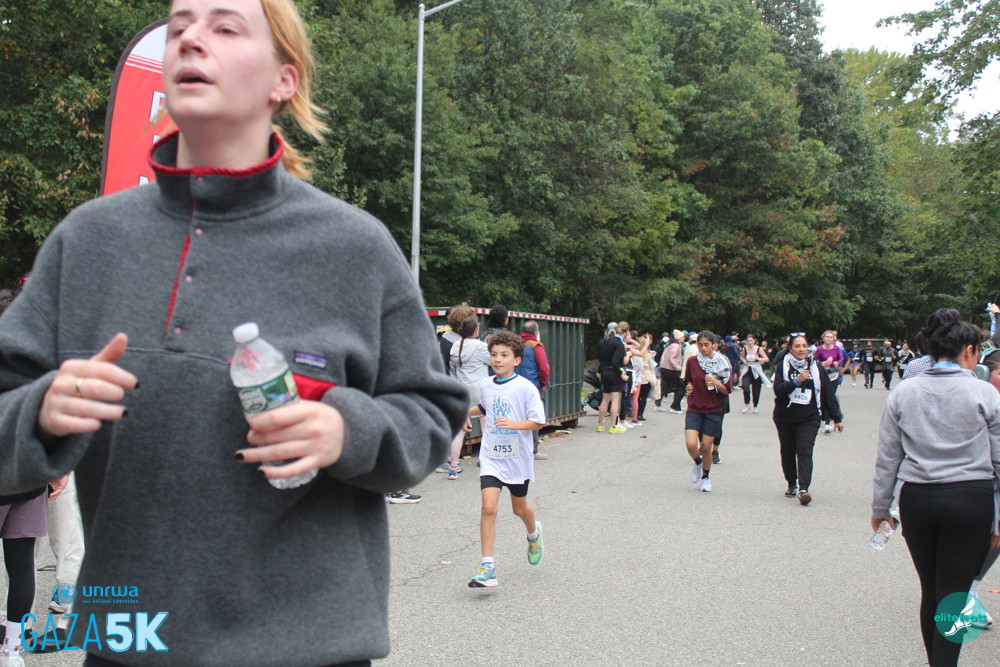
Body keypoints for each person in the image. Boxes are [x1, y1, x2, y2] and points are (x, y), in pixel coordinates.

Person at [0, 2, 469, 665]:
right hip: (129, 641)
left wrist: (347, 431)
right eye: (180, 25)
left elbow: (435, 413)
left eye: (224, 26)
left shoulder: (354, 248)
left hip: (309, 648)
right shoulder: (87, 241)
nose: (192, 38)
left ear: (284, 78)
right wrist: (41, 414)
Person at [871, 308, 999, 667]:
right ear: (969, 350)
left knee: (931, 590)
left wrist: (880, 508)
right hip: (970, 497)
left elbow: (888, 457)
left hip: (919, 498)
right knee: (955, 593)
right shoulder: (985, 393)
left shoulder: (904, 391)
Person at [467, 332, 545, 588]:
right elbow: (485, 408)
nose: (497, 360)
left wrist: (514, 424)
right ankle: (487, 567)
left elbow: (538, 420)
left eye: (504, 355)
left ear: (517, 360)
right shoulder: (486, 385)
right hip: (491, 456)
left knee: (519, 509)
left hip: (517, 458)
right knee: (488, 508)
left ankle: (533, 534)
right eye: (494, 355)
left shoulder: (525, 387)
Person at [772, 333, 844, 505]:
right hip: (785, 416)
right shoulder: (783, 366)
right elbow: (779, 390)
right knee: (788, 450)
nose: (801, 349)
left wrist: (837, 417)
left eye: (804, 346)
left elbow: (827, 393)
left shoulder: (816, 367)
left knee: (804, 449)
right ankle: (791, 483)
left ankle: (804, 488)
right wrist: (796, 381)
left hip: (809, 416)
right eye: (797, 346)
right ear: (790, 348)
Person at [682, 331, 732, 492]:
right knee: (691, 444)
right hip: (694, 407)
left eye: (707, 345)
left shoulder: (722, 362)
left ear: (714, 345)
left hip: (714, 409)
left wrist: (717, 383)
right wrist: (689, 387)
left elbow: (727, 390)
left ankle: (706, 477)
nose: (703, 348)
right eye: (700, 345)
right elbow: (689, 380)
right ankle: (698, 462)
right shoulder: (692, 361)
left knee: (706, 446)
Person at [448, 316, 491, 479]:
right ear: (476, 329)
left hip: (463, 391)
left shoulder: (456, 346)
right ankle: (485, 460)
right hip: (480, 390)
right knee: (485, 425)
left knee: (460, 430)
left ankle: (453, 468)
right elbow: (493, 361)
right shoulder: (481, 347)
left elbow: (453, 370)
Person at [518, 321, 550, 459]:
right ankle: (533, 450)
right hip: (534, 387)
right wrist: (543, 384)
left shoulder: (514, 344)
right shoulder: (536, 346)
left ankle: (518, 449)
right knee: (534, 417)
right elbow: (544, 369)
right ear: (536, 332)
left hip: (516, 387)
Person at [596, 322, 628, 434]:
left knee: (605, 399)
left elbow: (601, 358)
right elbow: (616, 361)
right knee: (615, 400)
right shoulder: (619, 344)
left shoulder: (606, 341)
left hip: (605, 371)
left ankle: (600, 425)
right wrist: (621, 373)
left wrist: (601, 371)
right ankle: (613, 426)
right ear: (626, 332)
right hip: (614, 373)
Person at [813, 330, 845, 434]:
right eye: (827, 337)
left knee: (831, 396)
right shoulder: (819, 349)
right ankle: (824, 422)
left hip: (833, 375)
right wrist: (822, 364)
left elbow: (841, 358)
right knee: (824, 397)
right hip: (822, 375)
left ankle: (828, 421)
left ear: (833, 339)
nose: (828, 339)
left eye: (831, 337)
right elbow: (814, 361)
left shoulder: (836, 348)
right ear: (823, 338)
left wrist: (837, 363)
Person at [739, 334, 771, 413]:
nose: (749, 342)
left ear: (754, 341)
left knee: (756, 390)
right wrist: (744, 361)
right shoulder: (745, 349)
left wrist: (759, 358)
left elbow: (766, 359)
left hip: (756, 369)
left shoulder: (759, 349)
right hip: (748, 369)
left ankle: (755, 405)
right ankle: (747, 404)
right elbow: (741, 357)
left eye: (751, 340)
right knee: (745, 387)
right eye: (748, 341)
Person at [658, 330, 685, 414]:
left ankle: (657, 404)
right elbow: (671, 358)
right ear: (678, 338)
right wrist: (677, 366)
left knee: (664, 386)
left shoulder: (671, 345)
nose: (684, 338)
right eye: (682, 337)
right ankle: (675, 406)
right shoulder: (676, 346)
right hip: (670, 369)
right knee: (679, 386)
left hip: (665, 367)